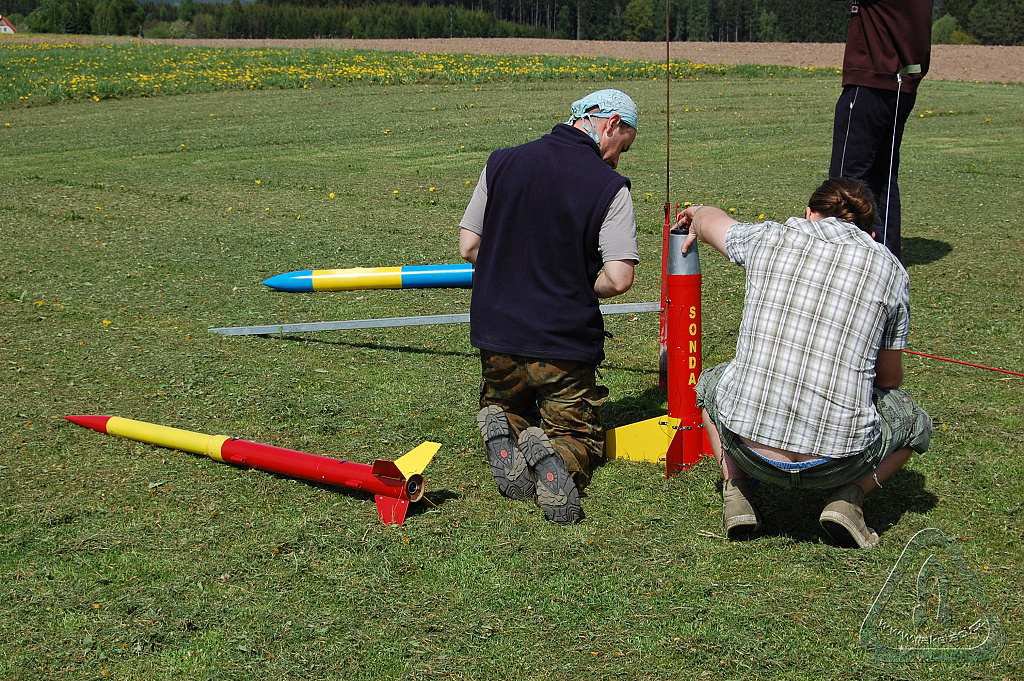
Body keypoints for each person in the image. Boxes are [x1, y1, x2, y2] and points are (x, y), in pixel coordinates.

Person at [675, 178, 933, 548]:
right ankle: (849, 498)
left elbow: (714, 221)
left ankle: (736, 489)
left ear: (809, 213)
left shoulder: (771, 238)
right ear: (871, 232)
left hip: (751, 452)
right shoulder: (890, 269)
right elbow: (890, 378)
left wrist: (696, 214)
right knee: (913, 420)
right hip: (838, 462)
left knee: (711, 382)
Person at [457, 89, 640, 524]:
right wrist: (575, 283)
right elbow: (618, 278)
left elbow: (469, 245)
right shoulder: (609, 186)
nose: (617, 159)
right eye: (623, 147)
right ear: (609, 123)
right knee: (575, 431)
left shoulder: (501, 161)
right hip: (561, 340)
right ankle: (557, 462)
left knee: (510, 403)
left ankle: (503, 425)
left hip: (496, 329)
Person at [829, 0, 934, 261]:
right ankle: (885, 256)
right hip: (900, 81)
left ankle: (845, 256)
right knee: (883, 174)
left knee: (847, 177)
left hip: (871, 79)